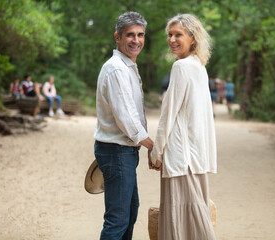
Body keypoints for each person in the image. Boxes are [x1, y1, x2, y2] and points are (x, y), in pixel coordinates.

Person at [149, 14, 217, 240]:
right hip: (195, 155)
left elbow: (168, 116)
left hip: (180, 155)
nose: (172, 39)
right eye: (169, 35)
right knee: (197, 212)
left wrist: (156, 152)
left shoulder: (181, 67)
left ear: (193, 37)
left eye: (178, 34)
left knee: (181, 217)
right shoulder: (199, 66)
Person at [93, 11, 153, 240]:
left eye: (140, 35)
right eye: (130, 35)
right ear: (117, 37)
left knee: (129, 212)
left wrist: (143, 145)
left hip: (124, 151)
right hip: (116, 151)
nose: (136, 40)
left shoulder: (128, 66)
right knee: (117, 220)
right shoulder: (117, 68)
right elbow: (126, 119)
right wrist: (151, 146)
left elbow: (133, 116)